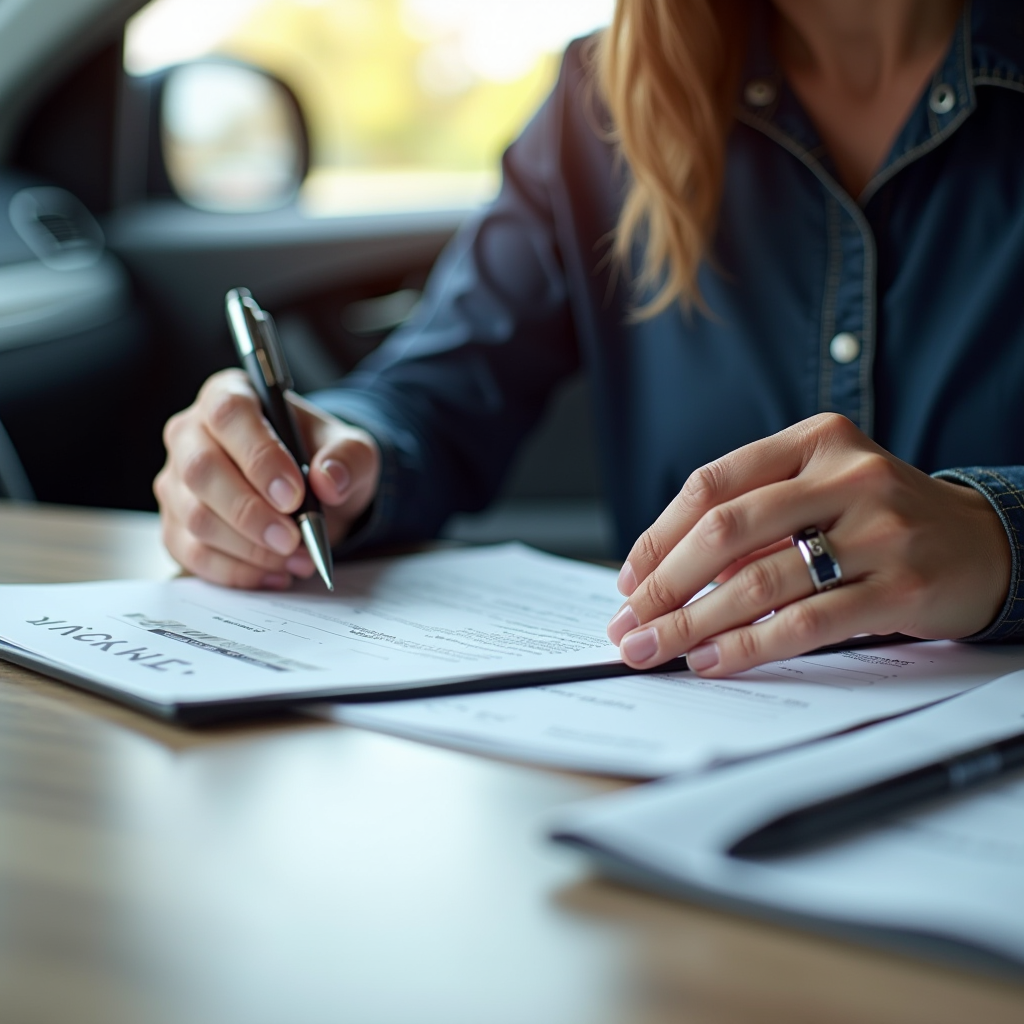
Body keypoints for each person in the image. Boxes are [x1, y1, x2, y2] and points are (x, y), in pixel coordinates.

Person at [154, 0, 1024, 680]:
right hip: (696, 738)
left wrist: (998, 533)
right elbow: (436, 388)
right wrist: (328, 457)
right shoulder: (603, 100)